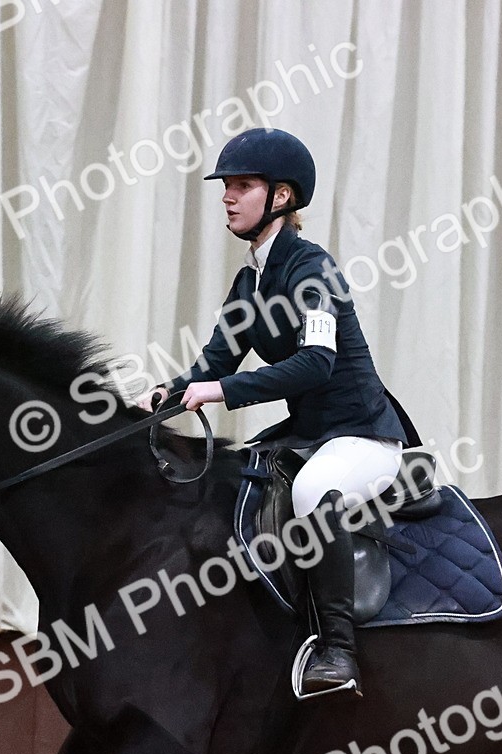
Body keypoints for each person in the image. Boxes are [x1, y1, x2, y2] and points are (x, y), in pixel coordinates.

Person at [134, 128, 421, 698]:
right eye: (226, 186)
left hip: (362, 437)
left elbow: (316, 364)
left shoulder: (313, 271)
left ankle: (339, 651)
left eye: (242, 186)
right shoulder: (251, 280)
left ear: (281, 197)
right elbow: (215, 361)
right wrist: (165, 392)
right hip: (310, 435)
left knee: (312, 492)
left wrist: (219, 391)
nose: (227, 196)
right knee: (238, 481)